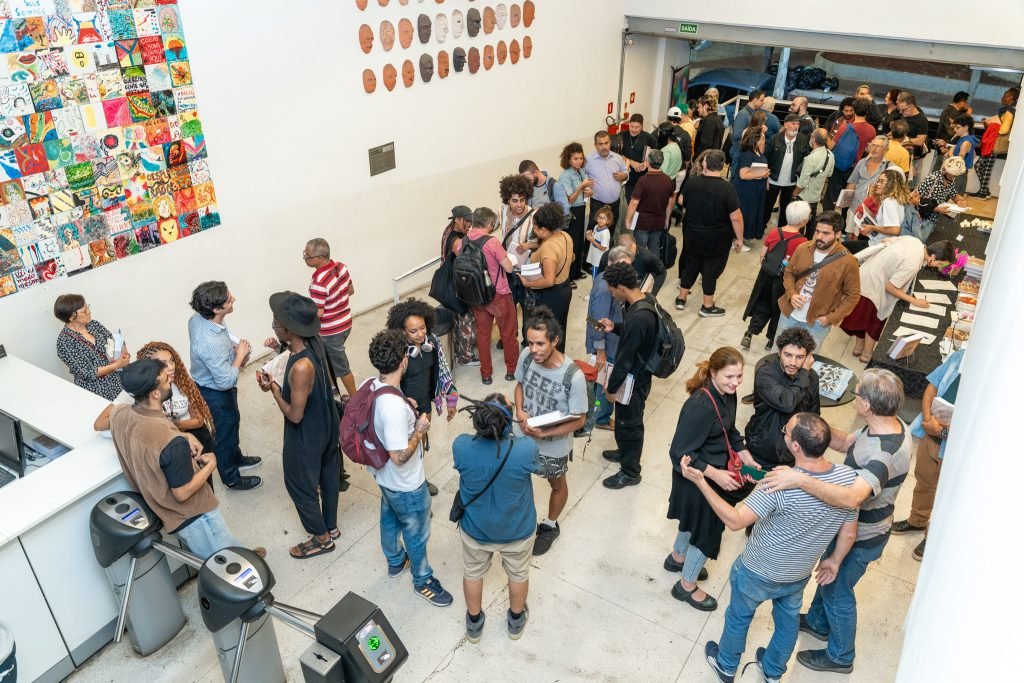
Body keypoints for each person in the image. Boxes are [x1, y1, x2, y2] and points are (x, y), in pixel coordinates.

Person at [761, 369, 912, 675]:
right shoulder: (885, 425)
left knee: (838, 590)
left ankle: (841, 655)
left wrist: (799, 479)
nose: (854, 397)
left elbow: (852, 498)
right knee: (829, 581)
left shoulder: (885, 453)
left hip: (864, 534)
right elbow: (844, 443)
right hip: (850, 526)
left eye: (857, 394)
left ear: (867, 404)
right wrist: (810, 424)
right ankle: (817, 623)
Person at [691, 412, 859, 683]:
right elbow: (849, 532)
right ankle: (772, 672)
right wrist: (835, 561)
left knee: (739, 617)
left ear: (795, 447)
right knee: (787, 622)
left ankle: (726, 665)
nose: (784, 433)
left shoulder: (779, 486)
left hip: (757, 570)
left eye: (786, 431)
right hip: (798, 574)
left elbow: (735, 521)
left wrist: (701, 481)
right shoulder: (849, 480)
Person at [109, 359, 264, 559]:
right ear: (155, 393)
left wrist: (184, 435)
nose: (170, 381)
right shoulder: (170, 442)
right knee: (223, 560)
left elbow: (146, 434)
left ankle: (244, 554)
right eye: (166, 380)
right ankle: (243, 568)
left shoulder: (119, 414)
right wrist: (211, 465)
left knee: (225, 544)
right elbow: (182, 493)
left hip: (164, 509)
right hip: (195, 516)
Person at [365, 329, 453, 607]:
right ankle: (422, 579)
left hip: (384, 478)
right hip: (405, 482)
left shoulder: (372, 385)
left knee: (390, 518)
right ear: (404, 361)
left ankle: (394, 561)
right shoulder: (393, 407)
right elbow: (399, 455)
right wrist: (419, 430)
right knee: (416, 532)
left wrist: (407, 404)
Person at [665, 347, 758, 611]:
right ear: (714, 373)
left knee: (691, 523)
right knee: (705, 534)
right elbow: (679, 452)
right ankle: (686, 586)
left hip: (711, 475)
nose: (736, 382)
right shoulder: (701, 405)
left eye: (739, 376)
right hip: (699, 480)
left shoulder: (727, 394)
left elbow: (729, 429)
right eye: (730, 376)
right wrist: (715, 473)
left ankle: (677, 557)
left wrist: (744, 452)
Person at [256, 292, 340, 559]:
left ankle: (321, 538)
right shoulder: (314, 344)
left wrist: (274, 390)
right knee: (328, 474)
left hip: (306, 431)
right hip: (327, 421)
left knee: (299, 483)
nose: (273, 326)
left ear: (290, 330)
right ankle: (331, 525)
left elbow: (294, 415)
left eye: (276, 324)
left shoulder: (301, 367)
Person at [454, 395, 541, 643]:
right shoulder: (524, 449)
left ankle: (474, 624)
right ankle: (515, 621)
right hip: (517, 529)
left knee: (472, 572)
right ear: (507, 423)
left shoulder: (461, 446)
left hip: (476, 529)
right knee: (518, 573)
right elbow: (538, 468)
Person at [513, 307, 587, 555]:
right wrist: (521, 412)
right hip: (523, 436)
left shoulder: (572, 377)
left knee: (557, 484)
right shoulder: (526, 356)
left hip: (553, 445)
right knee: (519, 477)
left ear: (555, 340)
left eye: (541, 344)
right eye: (531, 342)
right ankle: (524, 519)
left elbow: (578, 420)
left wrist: (545, 434)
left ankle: (550, 525)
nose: (534, 349)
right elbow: (520, 385)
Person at [188, 281, 262, 490]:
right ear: (216, 309)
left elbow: (221, 336)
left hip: (214, 385)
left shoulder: (198, 319)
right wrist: (239, 356)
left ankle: (235, 457)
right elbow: (226, 380)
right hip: (215, 393)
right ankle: (231, 477)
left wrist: (233, 346)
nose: (234, 299)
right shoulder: (208, 342)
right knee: (224, 433)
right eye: (229, 300)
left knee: (232, 424)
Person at [892, 348, 964, 561]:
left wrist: (942, 431)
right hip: (930, 438)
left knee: (946, 497)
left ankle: (933, 536)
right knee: (924, 482)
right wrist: (927, 420)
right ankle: (918, 520)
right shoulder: (959, 356)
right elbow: (932, 387)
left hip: (954, 450)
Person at [385, 298, 458, 496]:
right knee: (406, 450)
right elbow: (388, 383)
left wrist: (451, 397)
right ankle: (414, 492)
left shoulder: (432, 342)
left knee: (420, 445)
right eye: (413, 331)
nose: (420, 334)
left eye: (423, 328)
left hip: (425, 405)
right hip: (404, 410)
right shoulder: (398, 352)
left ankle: (419, 481)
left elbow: (442, 369)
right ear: (402, 331)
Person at [94, 341, 217, 458]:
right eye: (163, 364)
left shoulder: (182, 381)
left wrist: (168, 425)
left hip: (196, 438)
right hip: (167, 443)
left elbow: (199, 420)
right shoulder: (138, 390)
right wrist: (141, 422)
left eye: (172, 361)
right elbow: (99, 424)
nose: (171, 367)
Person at [840, 237, 953, 361]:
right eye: (940, 264)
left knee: (862, 317)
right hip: (874, 287)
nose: (938, 267)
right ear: (933, 257)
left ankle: (858, 346)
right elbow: (890, 287)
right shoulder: (913, 264)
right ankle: (866, 354)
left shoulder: (914, 241)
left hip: (865, 274)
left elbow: (885, 240)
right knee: (874, 321)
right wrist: (914, 300)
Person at [598, 261, 658, 489]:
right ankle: (624, 452)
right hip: (640, 375)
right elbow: (636, 336)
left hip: (633, 381)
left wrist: (611, 389)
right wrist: (615, 327)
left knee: (630, 425)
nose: (613, 296)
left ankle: (631, 471)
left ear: (621, 287)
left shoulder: (637, 318)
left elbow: (624, 361)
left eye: (613, 291)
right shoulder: (644, 302)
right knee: (625, 423)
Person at [776, 211, 861, 351]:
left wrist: (832, 317)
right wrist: (792, 293)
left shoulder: (848, 262)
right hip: (789, 314)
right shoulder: (803, 248)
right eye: (817, 231)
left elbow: (853, 296)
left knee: (807, 361)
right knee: (779, 353)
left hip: (817, 324)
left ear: (838, 234)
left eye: (826, 233)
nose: (819, 237)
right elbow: (789, 273)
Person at [454, 207, 519, 384]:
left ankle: (486, 374)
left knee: (483, 335)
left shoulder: (462, 242)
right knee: (508, 333)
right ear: (490, 224)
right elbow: (508, 268)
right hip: (498, 294)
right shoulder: (492, 243)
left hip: (476, 295)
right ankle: (511, 370)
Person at [675, 150, 744, 316]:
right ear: (722, 166)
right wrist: (739, 238)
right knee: (710, 271)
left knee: (690, 266)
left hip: (693, 234)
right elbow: (736, 217)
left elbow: (681, 200)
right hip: (716, 238)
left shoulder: (692, 182)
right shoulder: (727, 188)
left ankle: (681, 298)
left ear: (705, 164)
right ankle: (707, 306)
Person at [745, 327, 820, 469]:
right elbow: (787, 403)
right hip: (762, 450)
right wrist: (804, 372)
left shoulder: (812, 377)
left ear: (808, 357)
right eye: (787, 355)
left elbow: (814, 414)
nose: (792, 362)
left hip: (792, 454)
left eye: (799, 357)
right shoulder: (765, 373)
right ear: (779, 352)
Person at [741, 201, 811, 350]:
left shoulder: (774, 232)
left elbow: (763, 254)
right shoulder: (802, 242)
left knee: (762, 304)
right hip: (783, 281)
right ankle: (771, 340)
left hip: (766, 276)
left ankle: (749, 333)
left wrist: (767, 269)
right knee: (778, 309)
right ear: (804, 220)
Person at [303, 238, 357, 397]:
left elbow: (318, 313)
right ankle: (333, 388)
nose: (305, 258)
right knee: (326, 358)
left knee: (341, 367)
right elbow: (351, 290)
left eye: (308, 255)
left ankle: (356, 399)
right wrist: (336, 300)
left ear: (319, 258)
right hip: (346, 323)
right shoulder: (341, 267)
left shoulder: (318, 282)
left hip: (332, 331)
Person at [586, 246, 631, 432]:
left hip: (612, 341)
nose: (626, 271)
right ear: (610, 263)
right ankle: (601, 418)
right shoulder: (605, 288)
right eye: (622, 266)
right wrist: (600, 351)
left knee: (601, 381)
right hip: (607, 346)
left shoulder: (609, 280)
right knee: (605, 382)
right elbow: (597, 321)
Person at [54, 293, 129, 400]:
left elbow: (116, 341)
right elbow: (86, 373)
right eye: (84, 311)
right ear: (71, 317)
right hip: (97, 392)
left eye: (87, 307)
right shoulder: (65, 342)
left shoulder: (94, 324)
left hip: (119, 383)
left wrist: (124, 354)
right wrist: (116, 366)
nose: (89, 312)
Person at [521, 202, 573, 350]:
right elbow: (572, 257)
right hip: (565, 287)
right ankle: (559, 360)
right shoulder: (565, 236)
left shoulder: (549, 247)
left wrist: (528, 283)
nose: (534, 231)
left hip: (552, 295)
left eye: (535, 228)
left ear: (543, 229)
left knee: (547, 333)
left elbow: (549, 280)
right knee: (559, 329)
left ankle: (549, 365)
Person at [440, 205, 480, 367]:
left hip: (449, 282)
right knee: (464, 319)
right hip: (457, 285)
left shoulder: (448, 230)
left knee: (460, 318)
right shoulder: (456, 239)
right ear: (456, 219)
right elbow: (463, 254)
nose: (469, 223)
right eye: (466, 220)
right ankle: (464, 356)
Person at [554, 142, 593, 281]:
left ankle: (576, 272)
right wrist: (581, 187)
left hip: (582, 208)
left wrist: (588, 191)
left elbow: (585, 194)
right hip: (572, 212)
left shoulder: (581, 172)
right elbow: (570, 199)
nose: (579, 161)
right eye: (575, 158)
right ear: (568, 160)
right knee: (571, 243)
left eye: (581, 158)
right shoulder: (565, 176)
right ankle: (568, 276)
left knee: (579, 242)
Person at [764, 114, 810, 230]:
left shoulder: (803, 140)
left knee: (786, 209)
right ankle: (761, 227)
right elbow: (766, 159)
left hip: (791, 182)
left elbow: (805, 161)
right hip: (773, 179)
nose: (796, 127)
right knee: (767, 206)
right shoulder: (775, 139)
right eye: (793, 124)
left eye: (798, 124)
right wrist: (765, 178)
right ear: (785, 124)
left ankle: (783, 230)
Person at [625, 148, 674, 255]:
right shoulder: (668, 180)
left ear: (647, 162)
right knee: (654, 249)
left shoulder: (643, 181)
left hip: (642, 222)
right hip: (659, 222)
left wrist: (628, 220)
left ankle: (641, 271)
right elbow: (670, 203)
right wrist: (667, 219)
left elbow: (634, 203)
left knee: (640, 250)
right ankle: (654, 270)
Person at [842, 136, 893, 237]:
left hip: (872, 212)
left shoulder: (889, 167)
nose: (874, 149)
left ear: (885, 150)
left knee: (862, 239)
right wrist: (844, 203)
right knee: (850, 236)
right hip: (855, 207)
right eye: (873, 145)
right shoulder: (862, 162)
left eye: (878, 146)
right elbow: (852, 183)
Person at [974, 86, 1018, 198]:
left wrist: (991, 125)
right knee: (983, 166)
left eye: (1007, 95)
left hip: (994, 142)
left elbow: (1004, 129)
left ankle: (983, 192)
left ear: (1012, 98)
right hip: (993, 142)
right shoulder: (1006, 110)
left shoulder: (1008, 111)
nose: (1004, 97)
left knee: (981, 166)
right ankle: (985, 191)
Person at [851, 168, 910, 246]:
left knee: (845, 248)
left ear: (891, 184)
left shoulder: (889, 201)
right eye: (878, 181)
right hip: (881, 242)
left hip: (879, 244)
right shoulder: (895, 200)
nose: (878, 184)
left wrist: (873, 228)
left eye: (882, 181)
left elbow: (895, 229)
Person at [584, 130, 629, 232]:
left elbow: (626, 172)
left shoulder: (617, 158)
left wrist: (624, 176)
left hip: (615, 205)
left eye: (606, 143)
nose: (604, 147)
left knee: (611, 231)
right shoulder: (588, 160)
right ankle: (588, 248)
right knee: (593, 231)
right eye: (600, 144)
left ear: (610, 143)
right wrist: (586, 189)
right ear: (595, 145)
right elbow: (580, 177)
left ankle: (608, 248)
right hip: (598, 205)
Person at [914, 156, 967, 240]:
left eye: (955, 176)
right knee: (919, 240)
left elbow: (954, 195)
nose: (953, 179)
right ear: (944, 170)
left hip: (933, 217)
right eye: (951, 176)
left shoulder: (950, 181)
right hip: (921, 216)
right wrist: (936, 209)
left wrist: (961, 201)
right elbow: (914, 199)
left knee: (923, 238)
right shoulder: (931, 179)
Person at [792, 128, 834, 234]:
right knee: (811, 225)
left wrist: (794, 194)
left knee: (800, 225)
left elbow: (803, 182)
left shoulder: (811, 158)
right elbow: (829, 175)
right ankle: (809, 243)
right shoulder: (830, 155)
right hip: (815, 197)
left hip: (804, 197)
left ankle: (799, 245)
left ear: (813, 139)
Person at [598, 231, 667, 294]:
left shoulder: (647, 257)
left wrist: (651, 294)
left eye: (634, 252)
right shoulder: (607, 257)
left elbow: (662, 272)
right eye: (629, 255)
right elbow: (600, 278)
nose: (632, 258)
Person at [732, 128, 770, 242]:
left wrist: (765, 178)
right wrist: (762, 174)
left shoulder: (757, 151)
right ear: (756, 139)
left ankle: (745, 236)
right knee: (746, 213)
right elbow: (743, 175)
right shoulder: (746, 154)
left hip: (757, 189)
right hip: (747, 190)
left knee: (752, 212)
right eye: (762, 138)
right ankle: (738, 238)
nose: (764, 140)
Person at [620, 113, 659, 201]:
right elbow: (616, 154)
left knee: (643, 202)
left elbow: (654, 156)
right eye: (631, 126)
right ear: (629, 124)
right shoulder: (621, 136)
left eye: (637, 127)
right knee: (630, 201)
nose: (633, 130)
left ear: (642, 126)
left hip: (643, 177)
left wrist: (646, 163)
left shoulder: (650, 138)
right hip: (628, 178)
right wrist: (631, 162)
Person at [946, 114, 979, 194]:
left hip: (958, 174)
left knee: (954, 198)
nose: (955, 130)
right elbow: (973, 154)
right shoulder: (968, 138)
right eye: (954, 127)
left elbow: (958, 162)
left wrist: (950, 152)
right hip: (960, 173)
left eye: (958, 127)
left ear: (966, 127)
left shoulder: (965, 142)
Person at [730, 89, 765, 162]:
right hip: (738, 153)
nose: (763, 103)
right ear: (755, 100)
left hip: (743, 153)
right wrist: (755, 131)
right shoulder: (743, 114)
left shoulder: (751, 114)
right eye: (761, 100)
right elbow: (736, 135)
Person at [895, 91, 929, 161]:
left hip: (913, 157)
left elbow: (920, 141)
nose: (901, 112)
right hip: (899, 153)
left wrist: (901, 140)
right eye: (899, 109)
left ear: (912, 106)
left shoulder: (922, 120)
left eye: (903, 109)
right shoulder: (903, 115)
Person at [584, 204, 613, 278]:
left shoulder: (605, 233)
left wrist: (592, 241)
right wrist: (589, 235)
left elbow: (603, 248)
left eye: (603, 218)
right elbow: (594, 238)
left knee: (596, 278)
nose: (600, 220)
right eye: (599, 217)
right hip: (595, 257)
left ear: (608, 221)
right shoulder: (596, 227)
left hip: (599, 260)